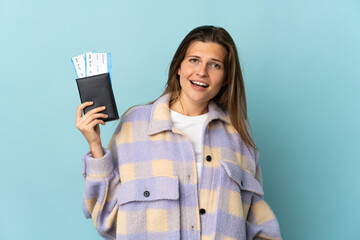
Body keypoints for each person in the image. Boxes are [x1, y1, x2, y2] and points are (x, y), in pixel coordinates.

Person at [76, 25, 281, 240]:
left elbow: (257, 223)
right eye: (194, 60)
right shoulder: (134, 125)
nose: (202, 71)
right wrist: (95, 146)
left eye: (215, 65)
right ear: (179, 67)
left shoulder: (238, 135)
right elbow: (107, 218)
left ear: (226, 78)